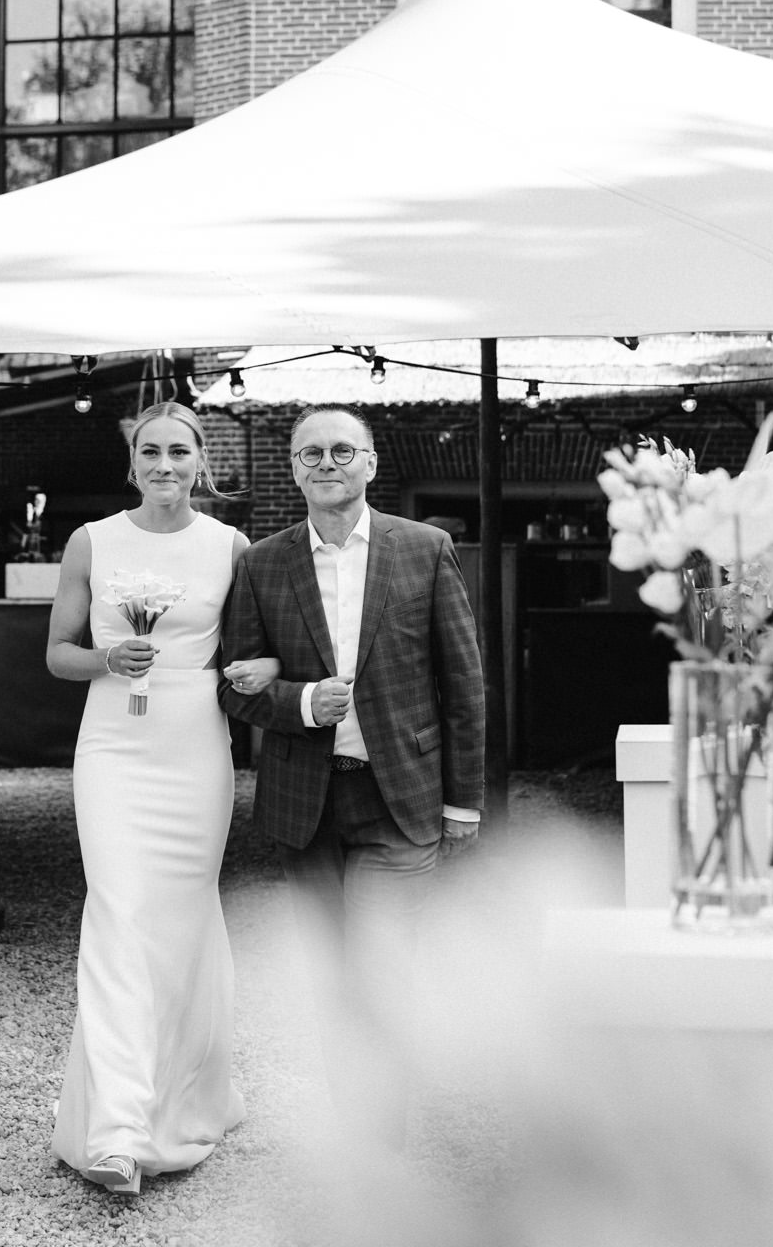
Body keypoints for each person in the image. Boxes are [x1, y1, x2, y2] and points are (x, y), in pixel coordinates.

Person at [218, 403, 486, 1144]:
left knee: (378, 970)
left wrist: (463, 800)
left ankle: (381, 1145)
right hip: (306, 804)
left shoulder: (423, 548)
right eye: (310, 454)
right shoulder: (263, 562)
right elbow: (230, 686)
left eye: (341, 451)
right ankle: (356, 1134)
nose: (326, 464)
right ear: (293, 469)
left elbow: (462, 684)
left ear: (369, 464)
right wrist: (301, 702)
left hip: (400, 796)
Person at [46, 399, 278, 1195]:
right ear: (133, 460)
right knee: (117, 911)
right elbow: (57, 656)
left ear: (199, 459)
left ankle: (195, 1089)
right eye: (150, 452)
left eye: (179, 451)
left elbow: (260, 649)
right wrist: (111, 659)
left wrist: (269, 673)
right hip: (112, 744)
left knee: (181, 918)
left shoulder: (231, 546)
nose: (165, 466)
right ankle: (115, 1126)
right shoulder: (91, 541)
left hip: (193, 748)